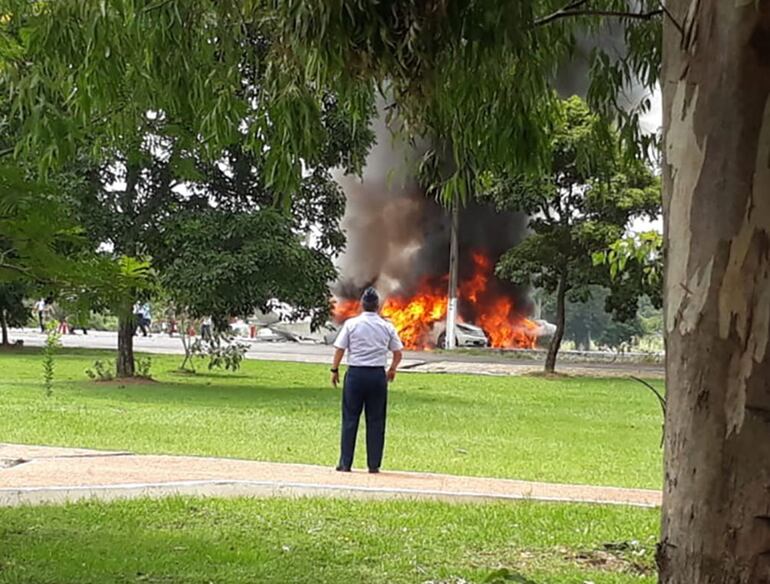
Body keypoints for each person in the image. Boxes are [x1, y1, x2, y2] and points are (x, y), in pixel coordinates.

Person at [330, 287, 403, 474]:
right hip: (377, 376)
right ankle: (373, 464)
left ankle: (345, 463)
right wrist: (392, 369)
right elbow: (398, 352)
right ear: (377, 306)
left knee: (350, 419)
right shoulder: (386, 326)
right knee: (376, 420)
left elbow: (340, 349)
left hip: (355, 374)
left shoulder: (351, 324)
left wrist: (334, 369)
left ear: (362, 304)